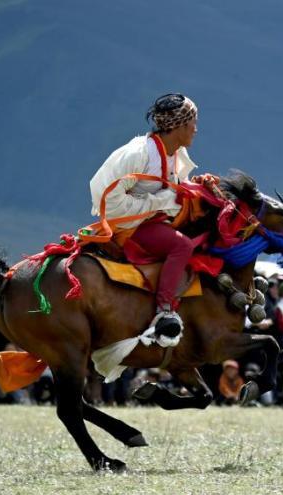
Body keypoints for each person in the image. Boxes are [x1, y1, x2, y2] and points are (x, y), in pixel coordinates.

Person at [88, 93, 201, 341]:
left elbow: (173, 186)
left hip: (151, 219)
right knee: (182, 245)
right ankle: (164, 310)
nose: (196, 128)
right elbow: (105, 196)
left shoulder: (173, 152)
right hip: (129, 226)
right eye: (193, 122)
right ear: (179, 126)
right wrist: (157, 203)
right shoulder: (138, 154)